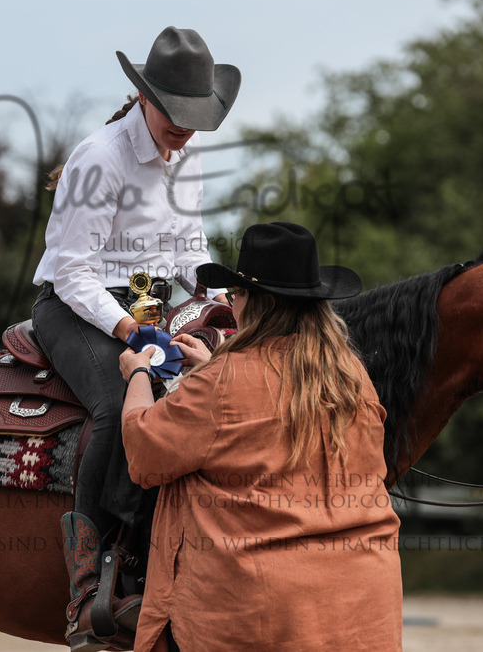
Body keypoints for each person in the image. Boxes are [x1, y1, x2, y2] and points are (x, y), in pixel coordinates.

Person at [30, 26, 240, 651]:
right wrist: (130, 332)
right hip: (76, 307)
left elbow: (188, 249)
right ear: (144, 97)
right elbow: (71, 272)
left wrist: (222, 303)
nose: (184, 126)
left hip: (148, 301)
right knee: (119, 406)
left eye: (195, 115)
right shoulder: (101, 158)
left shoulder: (187, 155)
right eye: (175, 112)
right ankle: (86, 585)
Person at [120, 222, 403, 651]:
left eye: (236, 293)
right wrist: (212, 368)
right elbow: (272, 404)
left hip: (261, 614)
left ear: (254, 301)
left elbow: (144, 453)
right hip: (362, 605)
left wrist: (139, 373)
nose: (232, 302)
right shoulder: (351, 376)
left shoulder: (222, 381)